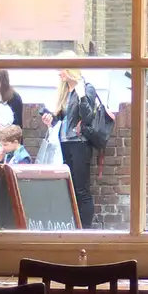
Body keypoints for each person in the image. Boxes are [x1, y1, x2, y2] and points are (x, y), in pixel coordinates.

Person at [45, 57, 100, 228]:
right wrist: (49, 118)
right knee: (68, 187)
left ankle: (85, 229)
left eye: (61, 69)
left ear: (70, 69)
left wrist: (82, 95)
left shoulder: (87, 88)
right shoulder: (63, 90)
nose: (59, 73)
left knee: (81, 189)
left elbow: (88, 117)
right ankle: (73, 226)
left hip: (80, 143)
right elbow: (61, 116)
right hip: (64, 143)